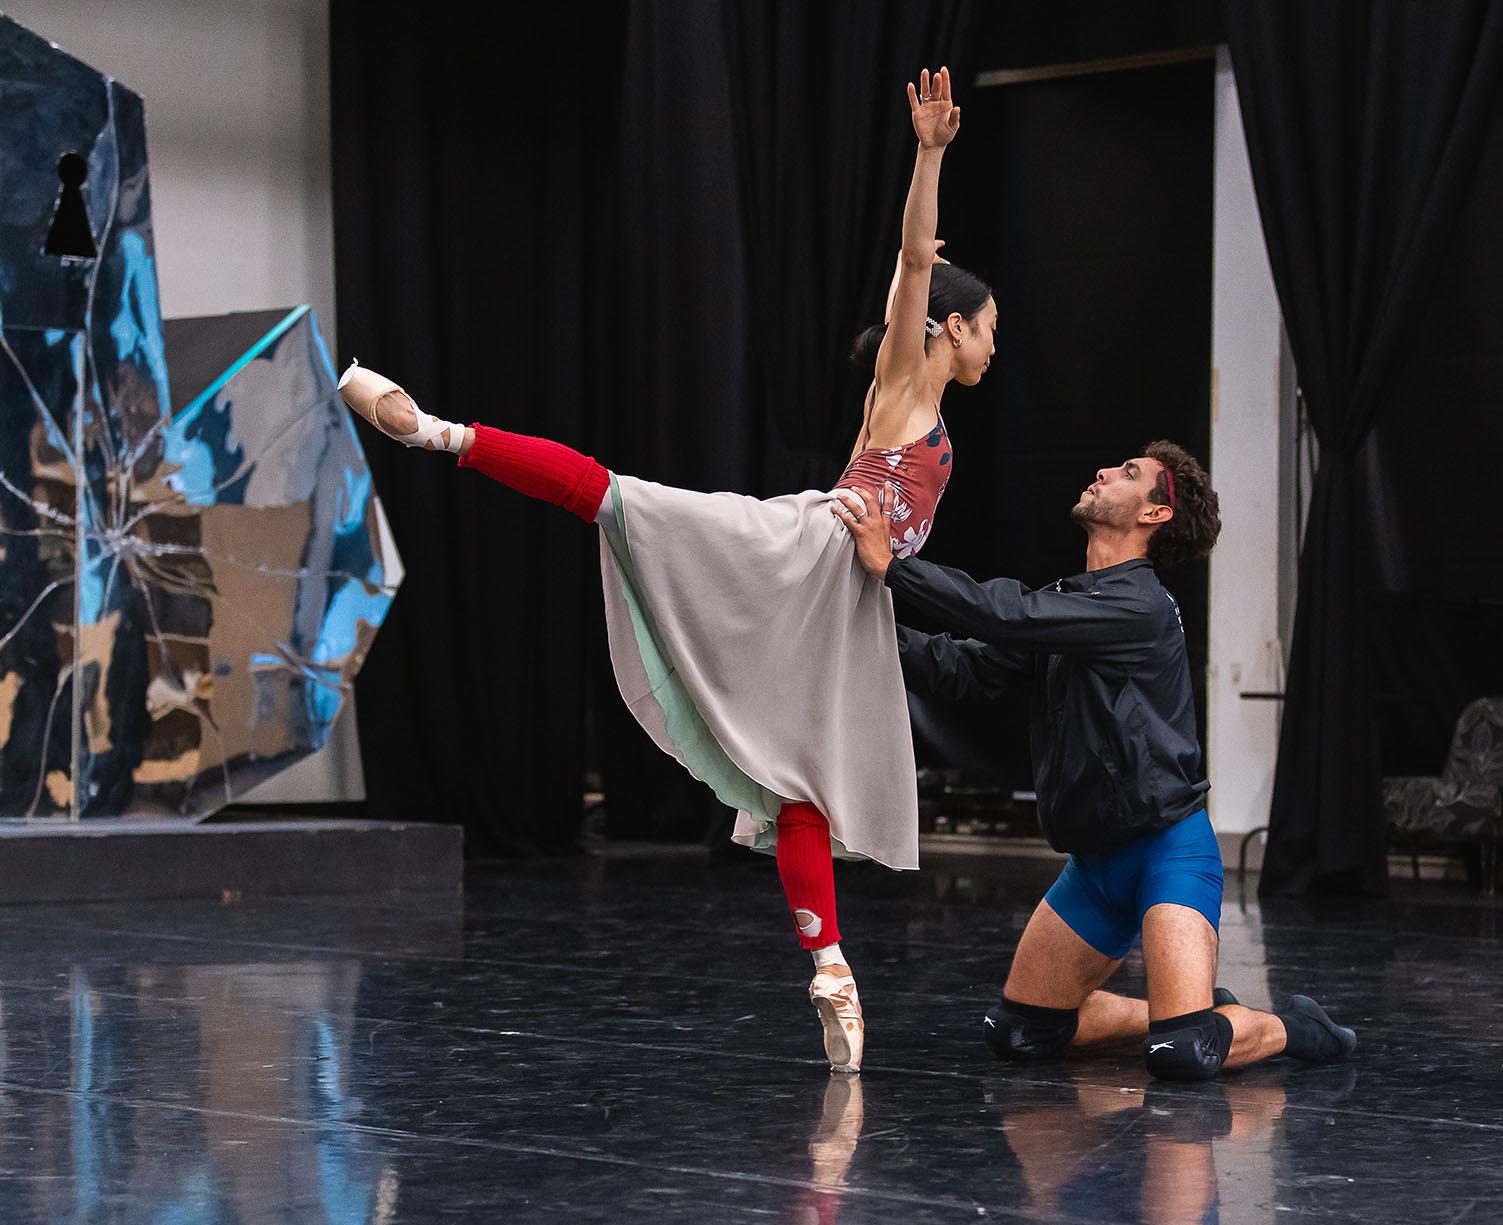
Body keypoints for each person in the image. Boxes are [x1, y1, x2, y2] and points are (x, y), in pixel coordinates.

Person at [336, 68, 994, 1074]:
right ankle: (442, 431)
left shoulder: (930, 403)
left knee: (799, 777)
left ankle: (832, 964)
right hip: (816, 556)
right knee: (625, 501)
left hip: (852, 598)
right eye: (990, 323)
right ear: (953, 327)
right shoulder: (906, 376)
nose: (997, 341)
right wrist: (930, 155)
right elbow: (913, 259)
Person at [834, 442, 1356, 1080]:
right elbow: (965, 668)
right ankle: (1193, 1009)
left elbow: (1009, 613)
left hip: (1167, 852)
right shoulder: (1073, 602)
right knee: (1020, 1034)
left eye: (1129, 474)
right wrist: (855, 626)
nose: (1105, 470)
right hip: (1095, 864)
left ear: (1154, 515)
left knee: (1183, 1051)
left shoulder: (1137, 605)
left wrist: (896, 567)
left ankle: (1292, 1028)